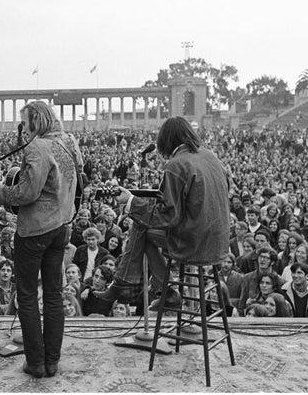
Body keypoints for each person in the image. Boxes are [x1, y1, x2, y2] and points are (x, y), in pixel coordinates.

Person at [0, 100, 82, 379]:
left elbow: (26, 193)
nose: (22, 127)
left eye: (24, 122)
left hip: (36, 230)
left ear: (35, 121)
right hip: (61, 227)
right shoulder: (69, 142)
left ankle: (36, 363)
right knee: (52, 295)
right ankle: (52, 361)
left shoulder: (37, 147)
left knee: (26, 296)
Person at [96, 117, 230, 310]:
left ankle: (153, 288)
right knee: (141, 223)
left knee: (142, 228)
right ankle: (125, 284)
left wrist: (131, 201)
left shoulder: (176, 164)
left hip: (195, 243)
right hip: (218, 239)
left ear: (165, 140)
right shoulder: (210, 156)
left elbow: (167, 217)